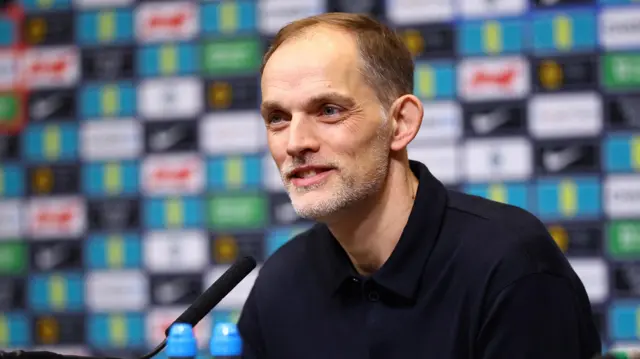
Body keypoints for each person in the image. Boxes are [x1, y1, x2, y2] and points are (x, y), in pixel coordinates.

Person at [237, 12, 602, 359]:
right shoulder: (280, 282)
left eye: (329, 110)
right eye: (278, 118)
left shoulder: (511, 265)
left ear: (401, 123)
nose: (296, 142)